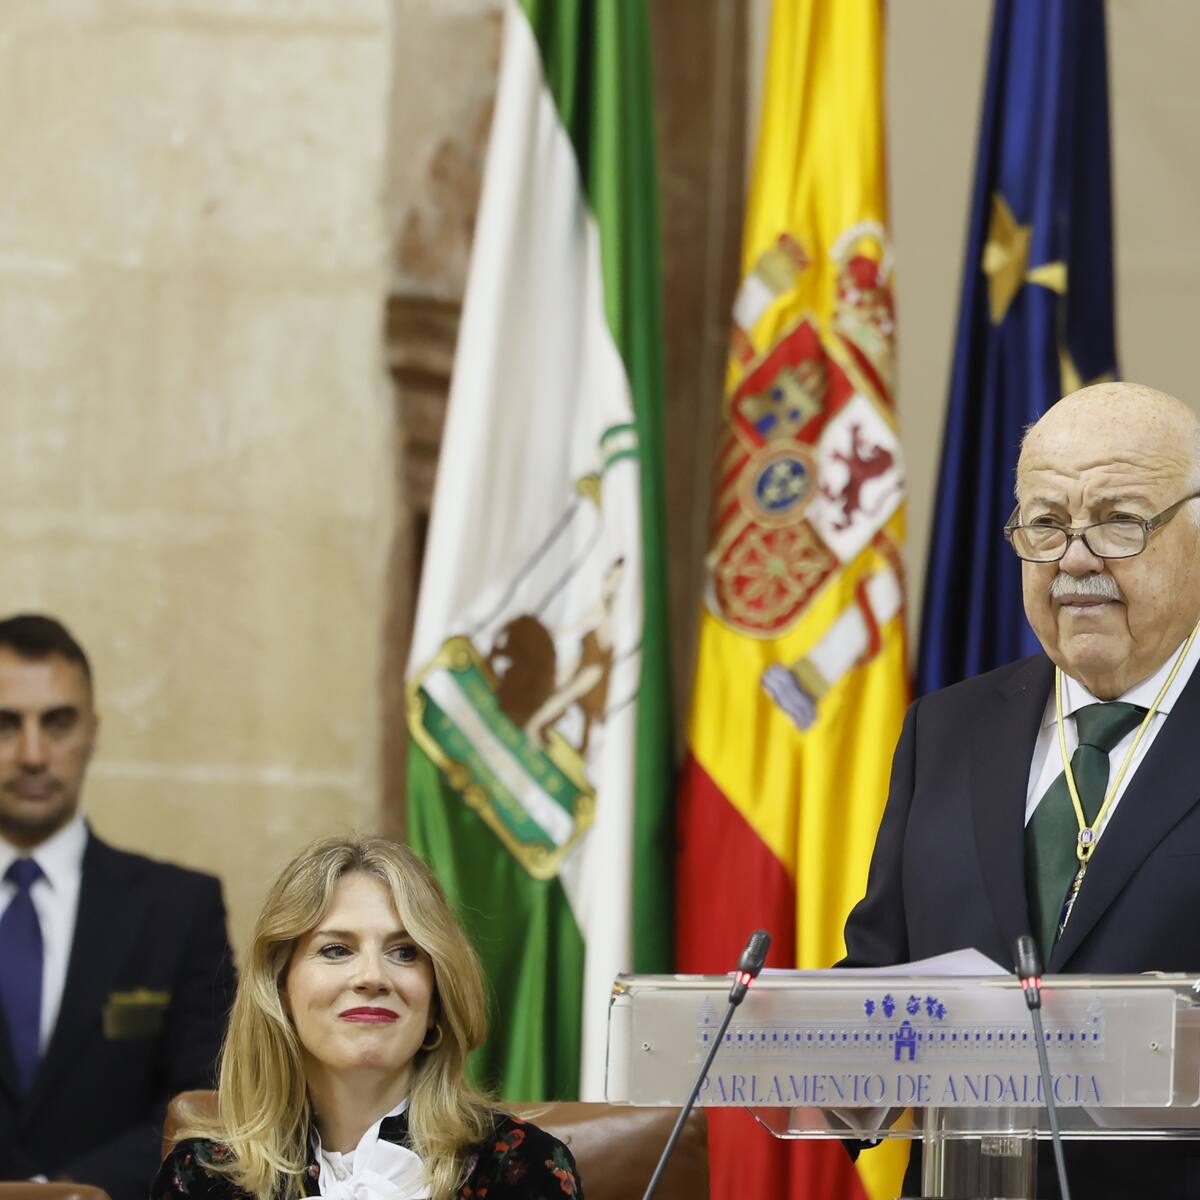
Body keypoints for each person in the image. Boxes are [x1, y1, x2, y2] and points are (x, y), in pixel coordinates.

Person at [841, 382, 1200, 1197]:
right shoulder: (946, 728)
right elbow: (881, 970)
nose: (1074, 559)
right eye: (1046, 524)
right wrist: (797, 1046)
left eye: (1118, 520)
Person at [156, 835, 583, 1200]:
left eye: (405, 952)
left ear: (436, 998)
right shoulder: (203, 1177)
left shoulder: (518, 1168)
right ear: (281, 989)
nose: (373, 977)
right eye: (336, 950)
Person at [0, 613, 236, 1200]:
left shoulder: (180, 910)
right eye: (5, 723)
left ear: (93, 732)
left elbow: (209, 1100)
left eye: (58, 723)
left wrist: (64, 1192)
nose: (32, 754)